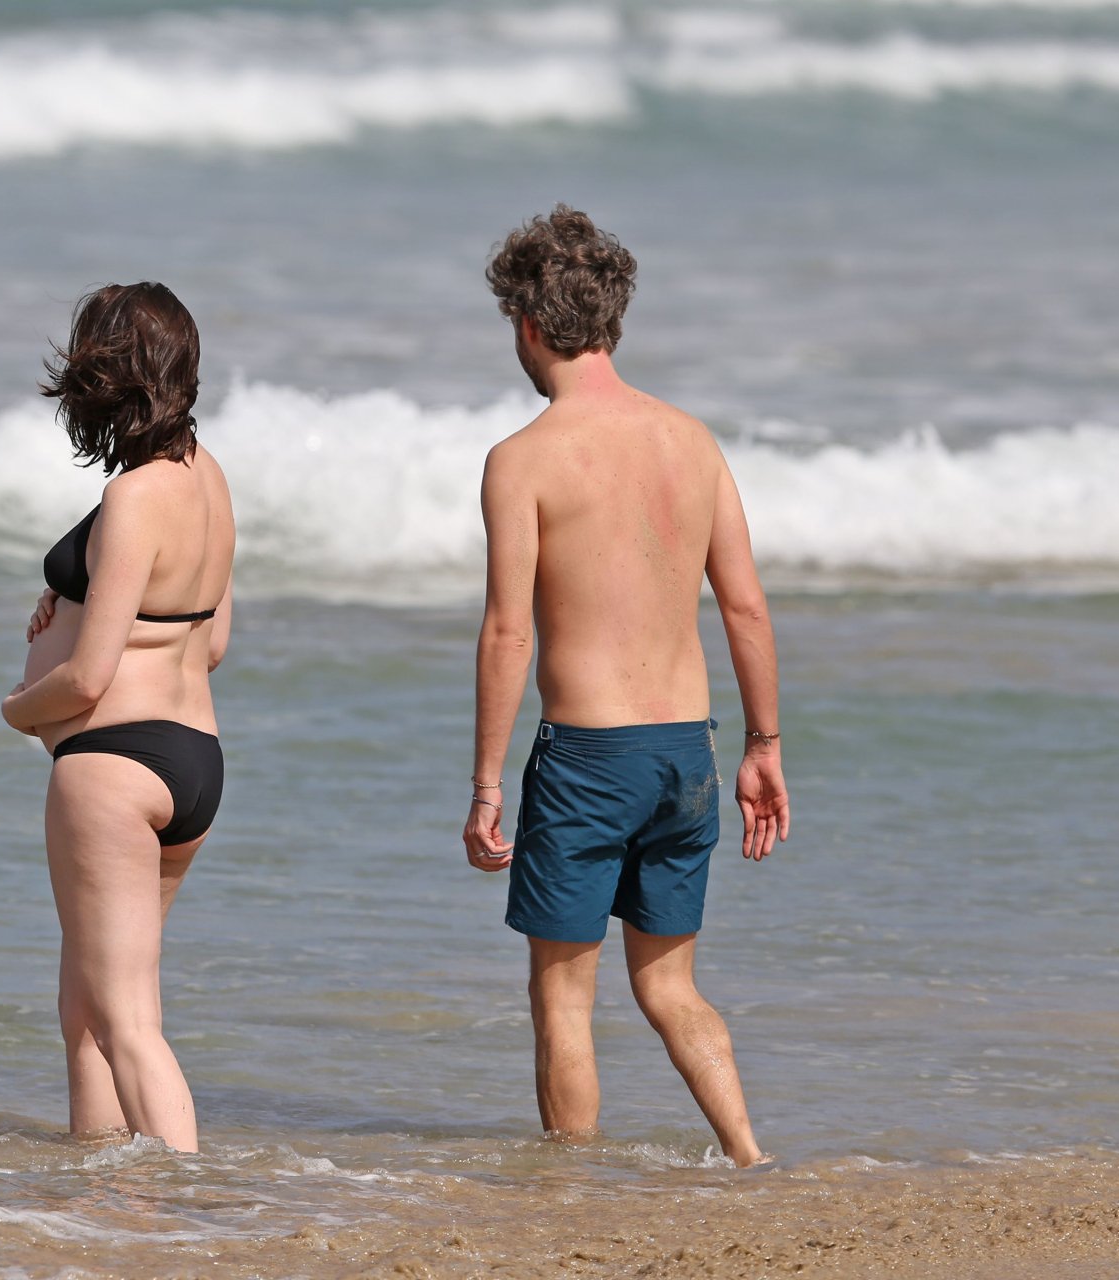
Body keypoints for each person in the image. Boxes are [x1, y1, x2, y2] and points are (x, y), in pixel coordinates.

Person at [461, 206, 790, 1168]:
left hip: (588, 759)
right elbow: (746, 608)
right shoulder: (692, 440)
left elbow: (508, 630)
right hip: (688, 751)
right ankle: (750, 1157)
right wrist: (763, 747)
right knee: (670, 987)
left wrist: (487, 785)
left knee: (564, 996)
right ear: (612, 318)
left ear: (528, 324)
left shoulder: (522, 460)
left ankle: (571, 1191)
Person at [3, 282, 234, 1154]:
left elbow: (88, 678)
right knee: (89, 1011)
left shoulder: (137, 494)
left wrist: (19, 710)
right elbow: (211, 643)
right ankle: (106, 1202)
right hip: (194, 761)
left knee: (130, 1024)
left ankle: (190, 1202)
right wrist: (82, 601)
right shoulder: (208, 477)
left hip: (112, 768)